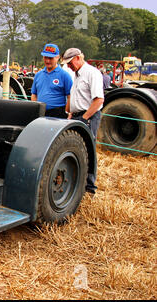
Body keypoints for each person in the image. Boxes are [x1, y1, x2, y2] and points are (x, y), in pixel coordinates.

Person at [62, 47, 104, 195]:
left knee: (88, 150)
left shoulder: (92, 73)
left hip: (89, 117)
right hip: (77, 116)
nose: (68, 66)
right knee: (77, 149)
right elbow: (76, 98)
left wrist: (84, 118)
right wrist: (71, 114)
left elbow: (98, 100)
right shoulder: (77, 75)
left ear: (79, 58)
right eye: (66, 63)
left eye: (70, 62)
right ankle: (78, 184)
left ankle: (90, 188)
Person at [31, 44, 73, 119]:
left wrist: (66, 112)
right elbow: (34, 94)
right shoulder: (38, 75)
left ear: (58, 57)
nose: (47, 61)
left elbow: (70, 96)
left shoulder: (64, 75)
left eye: (50, 58)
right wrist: (35, 110)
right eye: (45, 57)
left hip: (57, 114)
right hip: (40, 114)